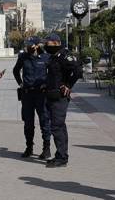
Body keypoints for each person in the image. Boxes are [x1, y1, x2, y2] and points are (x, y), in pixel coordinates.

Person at [43, 33, 82, 168]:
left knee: (57, 127)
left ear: (55, 42)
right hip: (51, 96)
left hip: (59, 98)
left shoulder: (65, 55)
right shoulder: (53, 57)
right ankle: (61, 154)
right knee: (59, 126)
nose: (45, 46)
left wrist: (69, 85)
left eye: (47, 43)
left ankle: (62, 157)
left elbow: (77, 71)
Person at [13, 36, 51, 159]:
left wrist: (47, 83)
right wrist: (20, 83)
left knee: (44, 121)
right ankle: (29, 147)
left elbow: (52, 72)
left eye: (30, 44)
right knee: (28, 123)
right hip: (27, 94)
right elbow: (15, 70)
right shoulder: (23, 57)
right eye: (27, 45)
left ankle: (46, 148)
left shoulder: (45, 57)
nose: (28, 47)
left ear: (36, 45)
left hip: (41, 94)